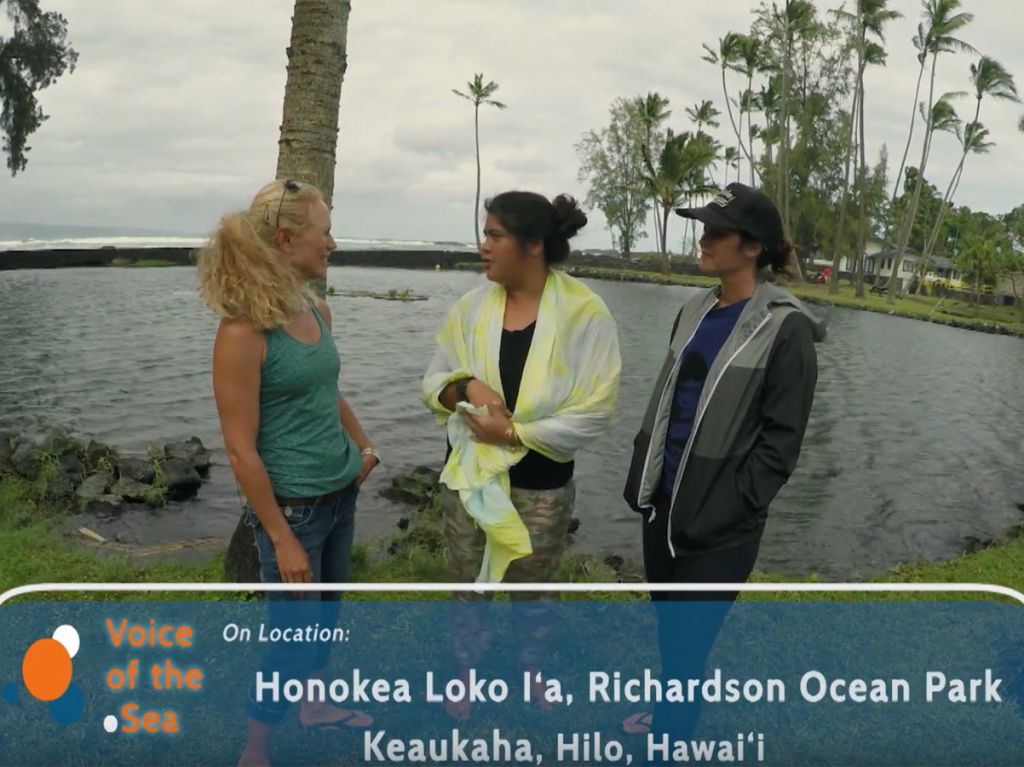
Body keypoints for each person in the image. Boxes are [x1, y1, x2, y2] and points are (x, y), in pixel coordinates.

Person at [621, 183, 827, 746]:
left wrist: (733, 504)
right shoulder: (694, 308)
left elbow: (780, 446)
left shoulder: (787, 330)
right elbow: (668, 404)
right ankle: (672, 722)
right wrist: (647, 482)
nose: (703, 239)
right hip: (663, 506)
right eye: (703, 228)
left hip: (722, 525)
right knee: (671, 635)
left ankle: (669, 739)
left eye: (717, 231)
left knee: (688, 647)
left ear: (753, 247)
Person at [197, 179, 381, 767]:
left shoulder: (315, 308)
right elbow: (239, 450)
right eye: (322, 231)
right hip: (295, 512)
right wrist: (279, 536)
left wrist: (363, 446)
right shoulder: (243, 332)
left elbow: (327, 392)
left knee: (326, 617)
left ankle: (316, 706)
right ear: (285, 239)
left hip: (339, 495)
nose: (331, 241)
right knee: (289, 639)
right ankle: (255, 750)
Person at [422, 191, 621, 720]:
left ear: (533, 245)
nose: (483, 246)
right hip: (471, 482)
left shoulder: (584, 314)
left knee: (534, 587)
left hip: (543, 484)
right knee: (468, 583)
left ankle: (533, 671)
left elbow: (596, 409)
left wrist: (513, 433)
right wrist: (465, 386)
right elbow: (433, 381)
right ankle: (466, 674)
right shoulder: (470, 308)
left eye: (494, 236)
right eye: (485, 234)